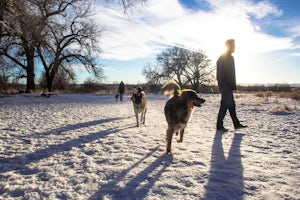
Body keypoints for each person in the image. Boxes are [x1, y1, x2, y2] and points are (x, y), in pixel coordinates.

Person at [216, 39, 247, 132]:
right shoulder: (228, 57)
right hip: (226, 85)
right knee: (225, 105)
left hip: (224, 85)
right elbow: (230, 73)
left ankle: (236, 124)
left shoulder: (222, 57)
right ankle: (219, 125)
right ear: (229, 46)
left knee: (231, 105)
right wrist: (232, 85)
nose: (235, 47)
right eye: (233, 45)